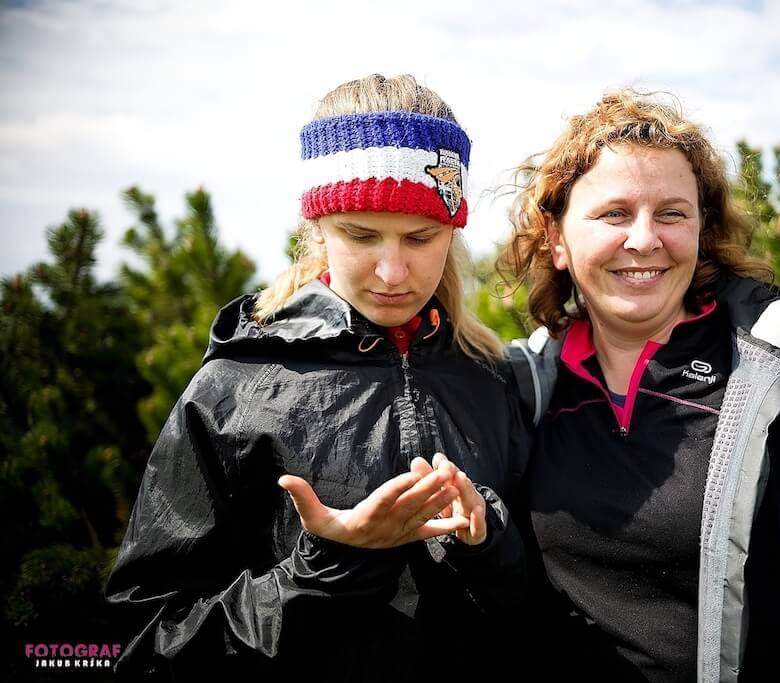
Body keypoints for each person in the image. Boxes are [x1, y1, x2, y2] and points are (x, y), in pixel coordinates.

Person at [500, 89, 780, 682]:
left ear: (703, 230)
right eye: (614, 214)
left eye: (672, 213)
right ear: (556, 239)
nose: (644, 239)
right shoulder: (525, 389)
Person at [106, 74, 529, 680]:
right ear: (318, 229)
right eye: (360, 235)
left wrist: (490, 545)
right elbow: (146, 642)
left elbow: (535, 611)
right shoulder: (235, 387)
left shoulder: (491, 376)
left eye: (420, 237)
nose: (393, 270)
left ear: (453, 231)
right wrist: (328, 567)